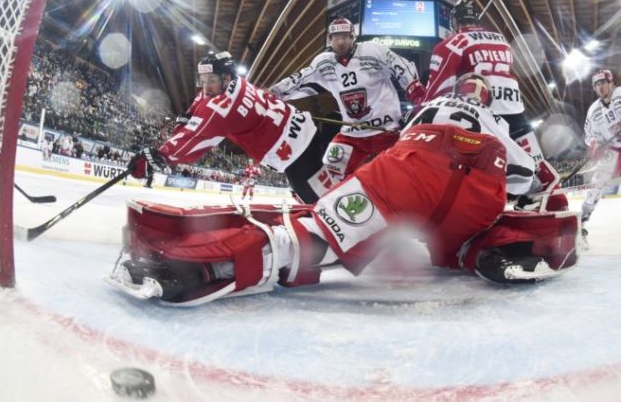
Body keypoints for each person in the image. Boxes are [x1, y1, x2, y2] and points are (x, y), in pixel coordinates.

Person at [107, 74, 579, 305]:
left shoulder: (430, 106)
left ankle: (204, 267)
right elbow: (528, 179)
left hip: (411, 168)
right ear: (488, 99)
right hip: (475, 191)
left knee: (315, 233)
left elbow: (399, 148)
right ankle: (484, 252)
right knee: (472, 232)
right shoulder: (498, 122)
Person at [416, 0, 568, 212]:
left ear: (455, 21)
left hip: (482, 114)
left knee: (469, 163)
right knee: (536, 164)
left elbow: (438, 89)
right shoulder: (501, 39)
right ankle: (557, 203)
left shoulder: (452, 43)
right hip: (515, 110)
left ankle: (470, 208)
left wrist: (418, 114)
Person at [128, 51, 336, 203]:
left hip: (294, 155)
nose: (206, 86)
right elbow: (202, 100)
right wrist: (186, 118)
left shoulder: (222, 111)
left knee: (320, 203)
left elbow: (195, 138)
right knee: (325, 188)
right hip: (306, 130)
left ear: (226, 78)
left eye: (211, 80)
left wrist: (160, 156)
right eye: (203, 80)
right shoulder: (238, 82)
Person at [269, 18, 425, 182]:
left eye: (345, 36)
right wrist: (275, 93)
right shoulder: (323, 62)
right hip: (352, 134)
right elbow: (300, 79)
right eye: (336, 37)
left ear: (353, 37)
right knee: (329, 174)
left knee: (397, 176)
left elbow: (400, 65)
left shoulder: (373, 50)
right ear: (330, 40)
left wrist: (415, 90)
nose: (341, 41)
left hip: (387, 130)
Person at [580, 69, 621, 239]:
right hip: (613, 148)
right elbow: (589, 136)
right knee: (598, 182)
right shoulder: (593, 110)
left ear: (612, 83)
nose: (601, 87)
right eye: (597, 85)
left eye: (603, 83)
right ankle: (582, 219)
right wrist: (595, 145)